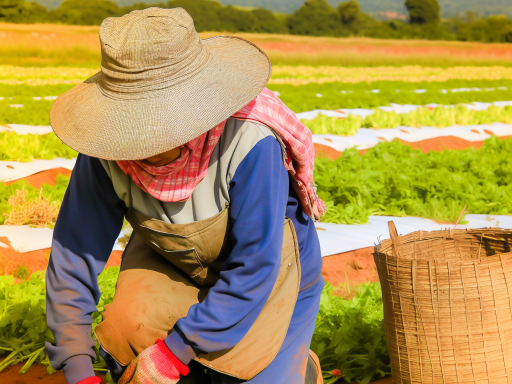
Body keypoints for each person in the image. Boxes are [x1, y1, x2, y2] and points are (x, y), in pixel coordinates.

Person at [46, 7, 325, 384]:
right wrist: (77, 366)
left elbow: (255, 266)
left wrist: (171, 354)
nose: (147, 142)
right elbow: (74, 255)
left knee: (247, 372)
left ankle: (297, 367)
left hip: (269, 273)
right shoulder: (104, 150)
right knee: (129, 329)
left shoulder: (250, 143)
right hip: (172, 261)